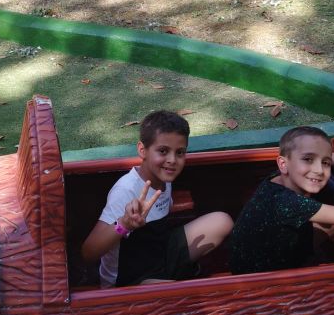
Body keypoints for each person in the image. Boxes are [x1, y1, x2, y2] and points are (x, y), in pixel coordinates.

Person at [81, 110, 233, 288]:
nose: (172, 160)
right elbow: (88, 253)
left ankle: (174, 274)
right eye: (163, 151)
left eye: (180, 152)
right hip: (130, 278)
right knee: (179, 294)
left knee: (222, 221)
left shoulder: (165, 177)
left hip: (160, 251)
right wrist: (124, 224)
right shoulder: (126, 190)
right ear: (142, 150)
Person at [229, 125, 334, 275]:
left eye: (325, 163)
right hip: (266, 278)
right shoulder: (289, 203)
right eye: (308, 159)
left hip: (255, 258)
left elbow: (324, 153)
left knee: (332, 224)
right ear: (283, 163)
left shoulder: (280, 177)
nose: (319, 170)